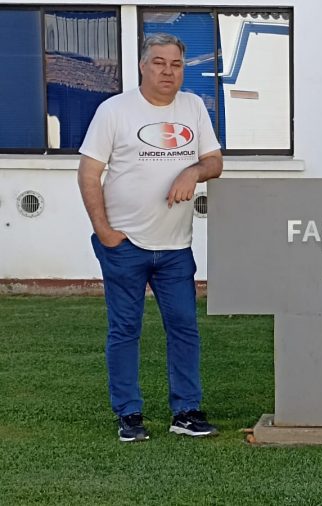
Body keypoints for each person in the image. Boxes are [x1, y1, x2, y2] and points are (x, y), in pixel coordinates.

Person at [77, 33, 223, 442]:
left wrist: (192, 172)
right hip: (125, 246)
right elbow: (89, 174)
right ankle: (129, 415)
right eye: (159, 63)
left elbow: (214, 161)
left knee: (184, 329)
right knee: (124, 330)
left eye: (175, 64)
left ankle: (186, 411)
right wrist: (104, 232)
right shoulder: (115, 111)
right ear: (143, 65)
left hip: (176, 247)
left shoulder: (193, 107)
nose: (167, 71)